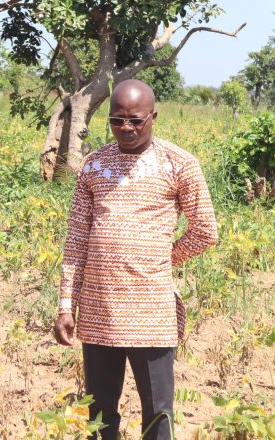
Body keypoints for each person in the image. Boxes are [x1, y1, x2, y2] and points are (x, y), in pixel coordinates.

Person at [53, 79, 218, 440]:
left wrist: (161, 258)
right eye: (117, 120)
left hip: (151, 310)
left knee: (158, 412)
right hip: (98, 309)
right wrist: (67, 304)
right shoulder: (94, 165)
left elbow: (206, 230)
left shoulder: (179, 164)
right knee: (99, 410)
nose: (126, 128)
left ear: (153, 116)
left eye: (135, 120)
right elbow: (77, 240)